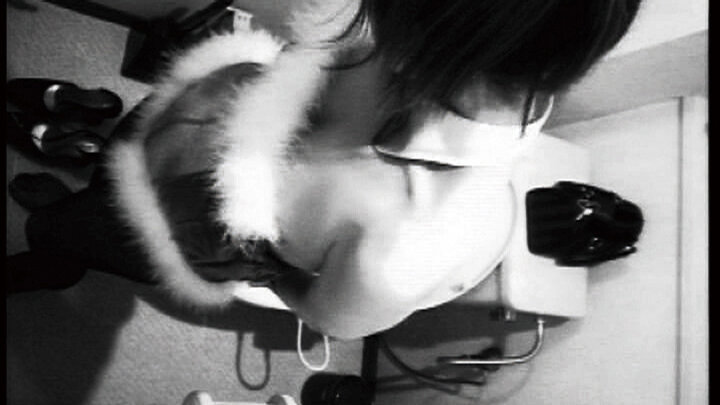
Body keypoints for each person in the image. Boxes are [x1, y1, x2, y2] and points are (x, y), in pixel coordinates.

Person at [7, 0, 642, 340]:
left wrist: (261, 262)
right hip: (205, 112)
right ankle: (95, 164)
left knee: (78, 230)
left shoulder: (409, 244)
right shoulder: (422, 37)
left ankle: (59, 245)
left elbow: (329, 316)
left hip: (190, 220)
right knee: (126, 155)